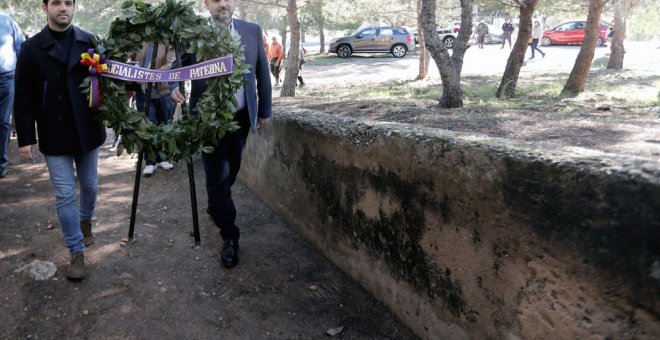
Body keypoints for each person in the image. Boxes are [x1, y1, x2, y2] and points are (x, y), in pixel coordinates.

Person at [171, 0, 271, 269]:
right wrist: (173, 87)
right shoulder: (194, 33)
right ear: (206, 4)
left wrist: (264, 111)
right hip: (207, 120)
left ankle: (216, 206)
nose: (222, 3)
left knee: (231, 171)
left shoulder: (251, 30)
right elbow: (175, 69)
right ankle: (230, 236)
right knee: (217, 178)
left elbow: (262, 71)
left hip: (241, 118)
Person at [14, 0, 106, 280]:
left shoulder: (90, 41)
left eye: (68, 2)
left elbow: (105, 80)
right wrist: (25, 138)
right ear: (45, 8)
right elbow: (24, 95)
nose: (62, 7)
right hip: (54, 133)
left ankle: (86, 219)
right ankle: (76, 250)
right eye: (56, 3)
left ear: (75, 7)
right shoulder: (31, 48)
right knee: (65, 194)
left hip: (87, 130)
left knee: (90, 186)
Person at [133, 42, 176, 176]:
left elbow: (171, 63)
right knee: (148, 126)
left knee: (164, 124)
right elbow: (129, 58)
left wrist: (153, 75)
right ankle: (150, 161)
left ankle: (163, 158)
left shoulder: (168, 41)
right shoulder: (140, 39)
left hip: (163, 90)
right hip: (143, 91)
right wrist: (134, 68)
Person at [0, 12, 25, 178]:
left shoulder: (7, 19)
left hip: (6, 77)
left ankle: (1, 163)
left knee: (2, 122)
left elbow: (21, 47)